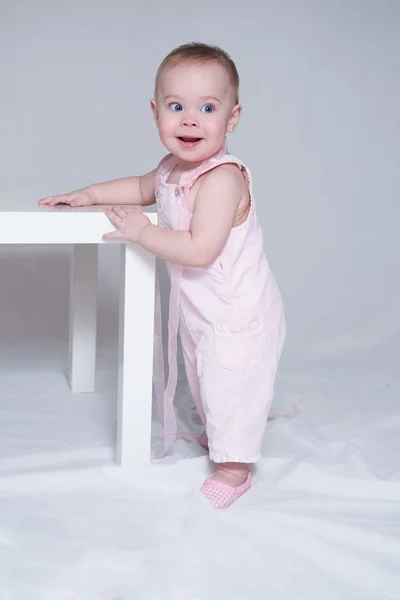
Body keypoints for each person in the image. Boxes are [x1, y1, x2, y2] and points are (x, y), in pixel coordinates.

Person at [39, 42, 286, 509]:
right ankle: (220, 435)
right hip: (202, 311)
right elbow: (139, 187)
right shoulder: (172, 169)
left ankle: (235, 467)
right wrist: (88, 193)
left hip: (239, 312)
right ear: (156, 113)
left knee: (232, 381)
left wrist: (141, 232)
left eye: (207, 108)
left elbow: (199, 248)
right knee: (204, 375)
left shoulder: (221, 179)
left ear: (232, 119)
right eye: (177, 107)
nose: (190, 120)